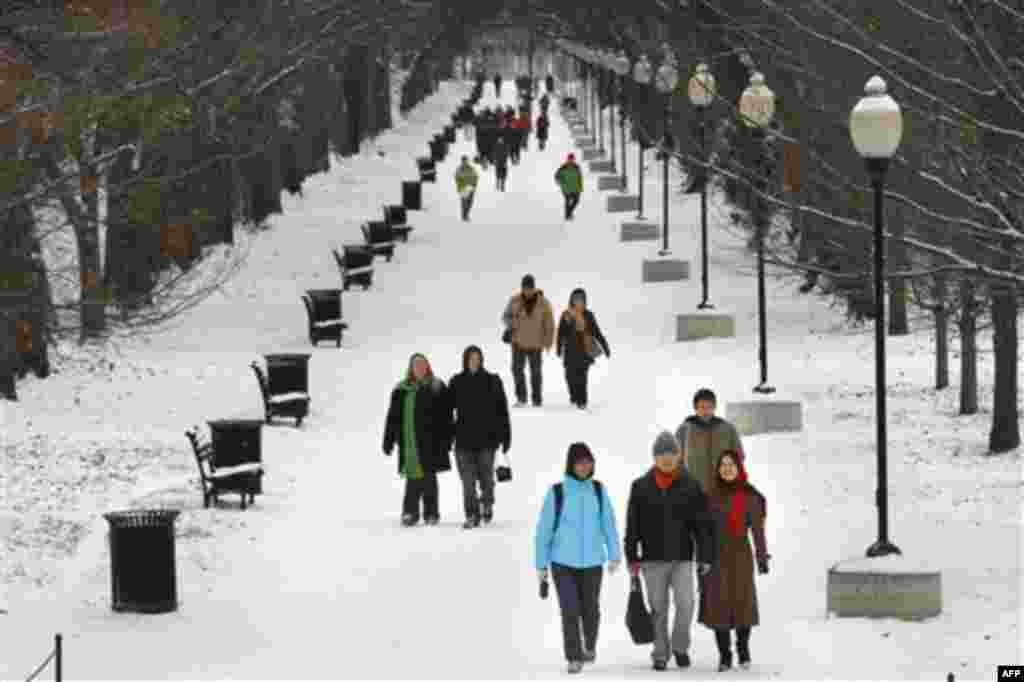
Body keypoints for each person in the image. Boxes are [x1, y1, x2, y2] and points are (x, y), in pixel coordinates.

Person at [625, 431, 716, 671]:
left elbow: (702, 525)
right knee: (658, 609)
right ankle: (660, 653)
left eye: (672, 453)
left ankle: (680, 646)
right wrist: (631, 557)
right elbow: (632, 525)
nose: (667, 458)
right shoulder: (640, 486)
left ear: (679, 456)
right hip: (652, 560)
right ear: (654, 457)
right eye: (662, 454)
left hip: (683, 558)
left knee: (686, 604)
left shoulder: (691, 485)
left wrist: (705, 556)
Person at [534, 442, 622, 674]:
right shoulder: (557, 492)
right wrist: (541, 564)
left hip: (593, 562)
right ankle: (574, 656)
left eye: (588, 462)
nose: (584, 466)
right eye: (580, 462)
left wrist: (614, 554)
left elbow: (608, 524)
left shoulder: (598, 490)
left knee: (591, 610)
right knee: (570, 609)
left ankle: (589, 644)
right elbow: (544, 531)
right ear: (571, 465)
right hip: (562, 562)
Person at [698, 450, 770, 672]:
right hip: (715, 556)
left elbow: (757, 530)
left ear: (738, 468)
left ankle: (743, 649)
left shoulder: (750, 496)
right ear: (718, 469)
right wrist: (703, 558)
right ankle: (724, 655)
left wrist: (761, 556)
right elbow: (703, 531)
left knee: (742, 602)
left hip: (740, 554)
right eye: (723, 465)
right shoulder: (710, 496)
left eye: (731, 464)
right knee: (718, 604)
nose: (727, 468)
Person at [382, 353, 452, 526]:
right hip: (410, 441)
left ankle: (431, 513)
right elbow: (393, 417)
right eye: (416, 365)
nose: (420, 368)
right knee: (413, 477)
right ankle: (410, 513)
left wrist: (448, 438)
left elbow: (447, 415)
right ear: (411, 369)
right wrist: (388, 440)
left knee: (429, 478)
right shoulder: (401, 389)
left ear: (428, 367)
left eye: (423, 365)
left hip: (432, 441)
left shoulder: (437, 386)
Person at [447, 345, 511, 529]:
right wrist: (448, 434)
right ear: (465, 360)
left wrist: (506, 436)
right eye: (471, 358)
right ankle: (471, 515)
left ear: (482, 360)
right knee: (467, 482)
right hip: (463, 441)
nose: (474, 361)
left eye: (477, 358)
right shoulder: (457, 382)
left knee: (486, 480)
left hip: (487, 440)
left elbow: (502, 411)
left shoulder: (492, 380)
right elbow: (446, 411)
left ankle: (487, 504)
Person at [674, 388, 746, 494]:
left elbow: (738, 457)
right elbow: (675, 461)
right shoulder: (684, 430)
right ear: (695, 408)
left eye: (709, 407)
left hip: (722, 490)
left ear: (714, 407)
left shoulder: (727, 429)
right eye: (702, 407)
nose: (706, 411)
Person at [501, 274, 555, 407]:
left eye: (530, 287)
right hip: (518, 342)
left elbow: (549, 324)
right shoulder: (514, 300)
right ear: (522, 287)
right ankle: (521, 398)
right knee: (517, 370)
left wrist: (548, 341)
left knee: (536, 372)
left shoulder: (544, 302)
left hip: (536, 343)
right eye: (525, 287)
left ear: (534, 287)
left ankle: (537, 400)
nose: (528, 290)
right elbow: (504, 317)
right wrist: (513, 323)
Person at [555, 288, 610, 410]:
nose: (578, 301)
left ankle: (582, 401)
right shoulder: (566, 314)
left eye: (581, 299)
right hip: (570, 351)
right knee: (569, 376)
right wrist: (558, 348)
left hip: (584, 351)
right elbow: (560, 333)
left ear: (585, 301)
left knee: (582, 377)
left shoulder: (588, 315)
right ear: (572, 300)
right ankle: (574, 395)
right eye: (576, 299)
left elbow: (596, 332)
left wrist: (605, 346)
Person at [555, 153, 583, 220]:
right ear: (567, 159)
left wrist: (580, 187)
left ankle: (569, 213)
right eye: (570, 159)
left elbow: (580, 177)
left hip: (575, 188)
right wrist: (561, 183)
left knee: (576, 201)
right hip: (566, 188)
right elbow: (557, 176)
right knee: (567, 201)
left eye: (572, 159)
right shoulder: (563, 167)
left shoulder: (576, 167)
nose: (571, 160)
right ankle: (567, 216)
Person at [455, 155, 479, 222]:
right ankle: (464, 216)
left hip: (470, 187)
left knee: (470, 202)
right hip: (463, 188)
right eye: (463, 161)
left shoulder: (471, 168)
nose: (465, 162)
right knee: (464, 203)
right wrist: (460, 185)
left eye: (465, 160)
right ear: (462, 161)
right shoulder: (459, 169)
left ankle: (466, 214)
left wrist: (474, 184)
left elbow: (476, 176)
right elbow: (456, 178)